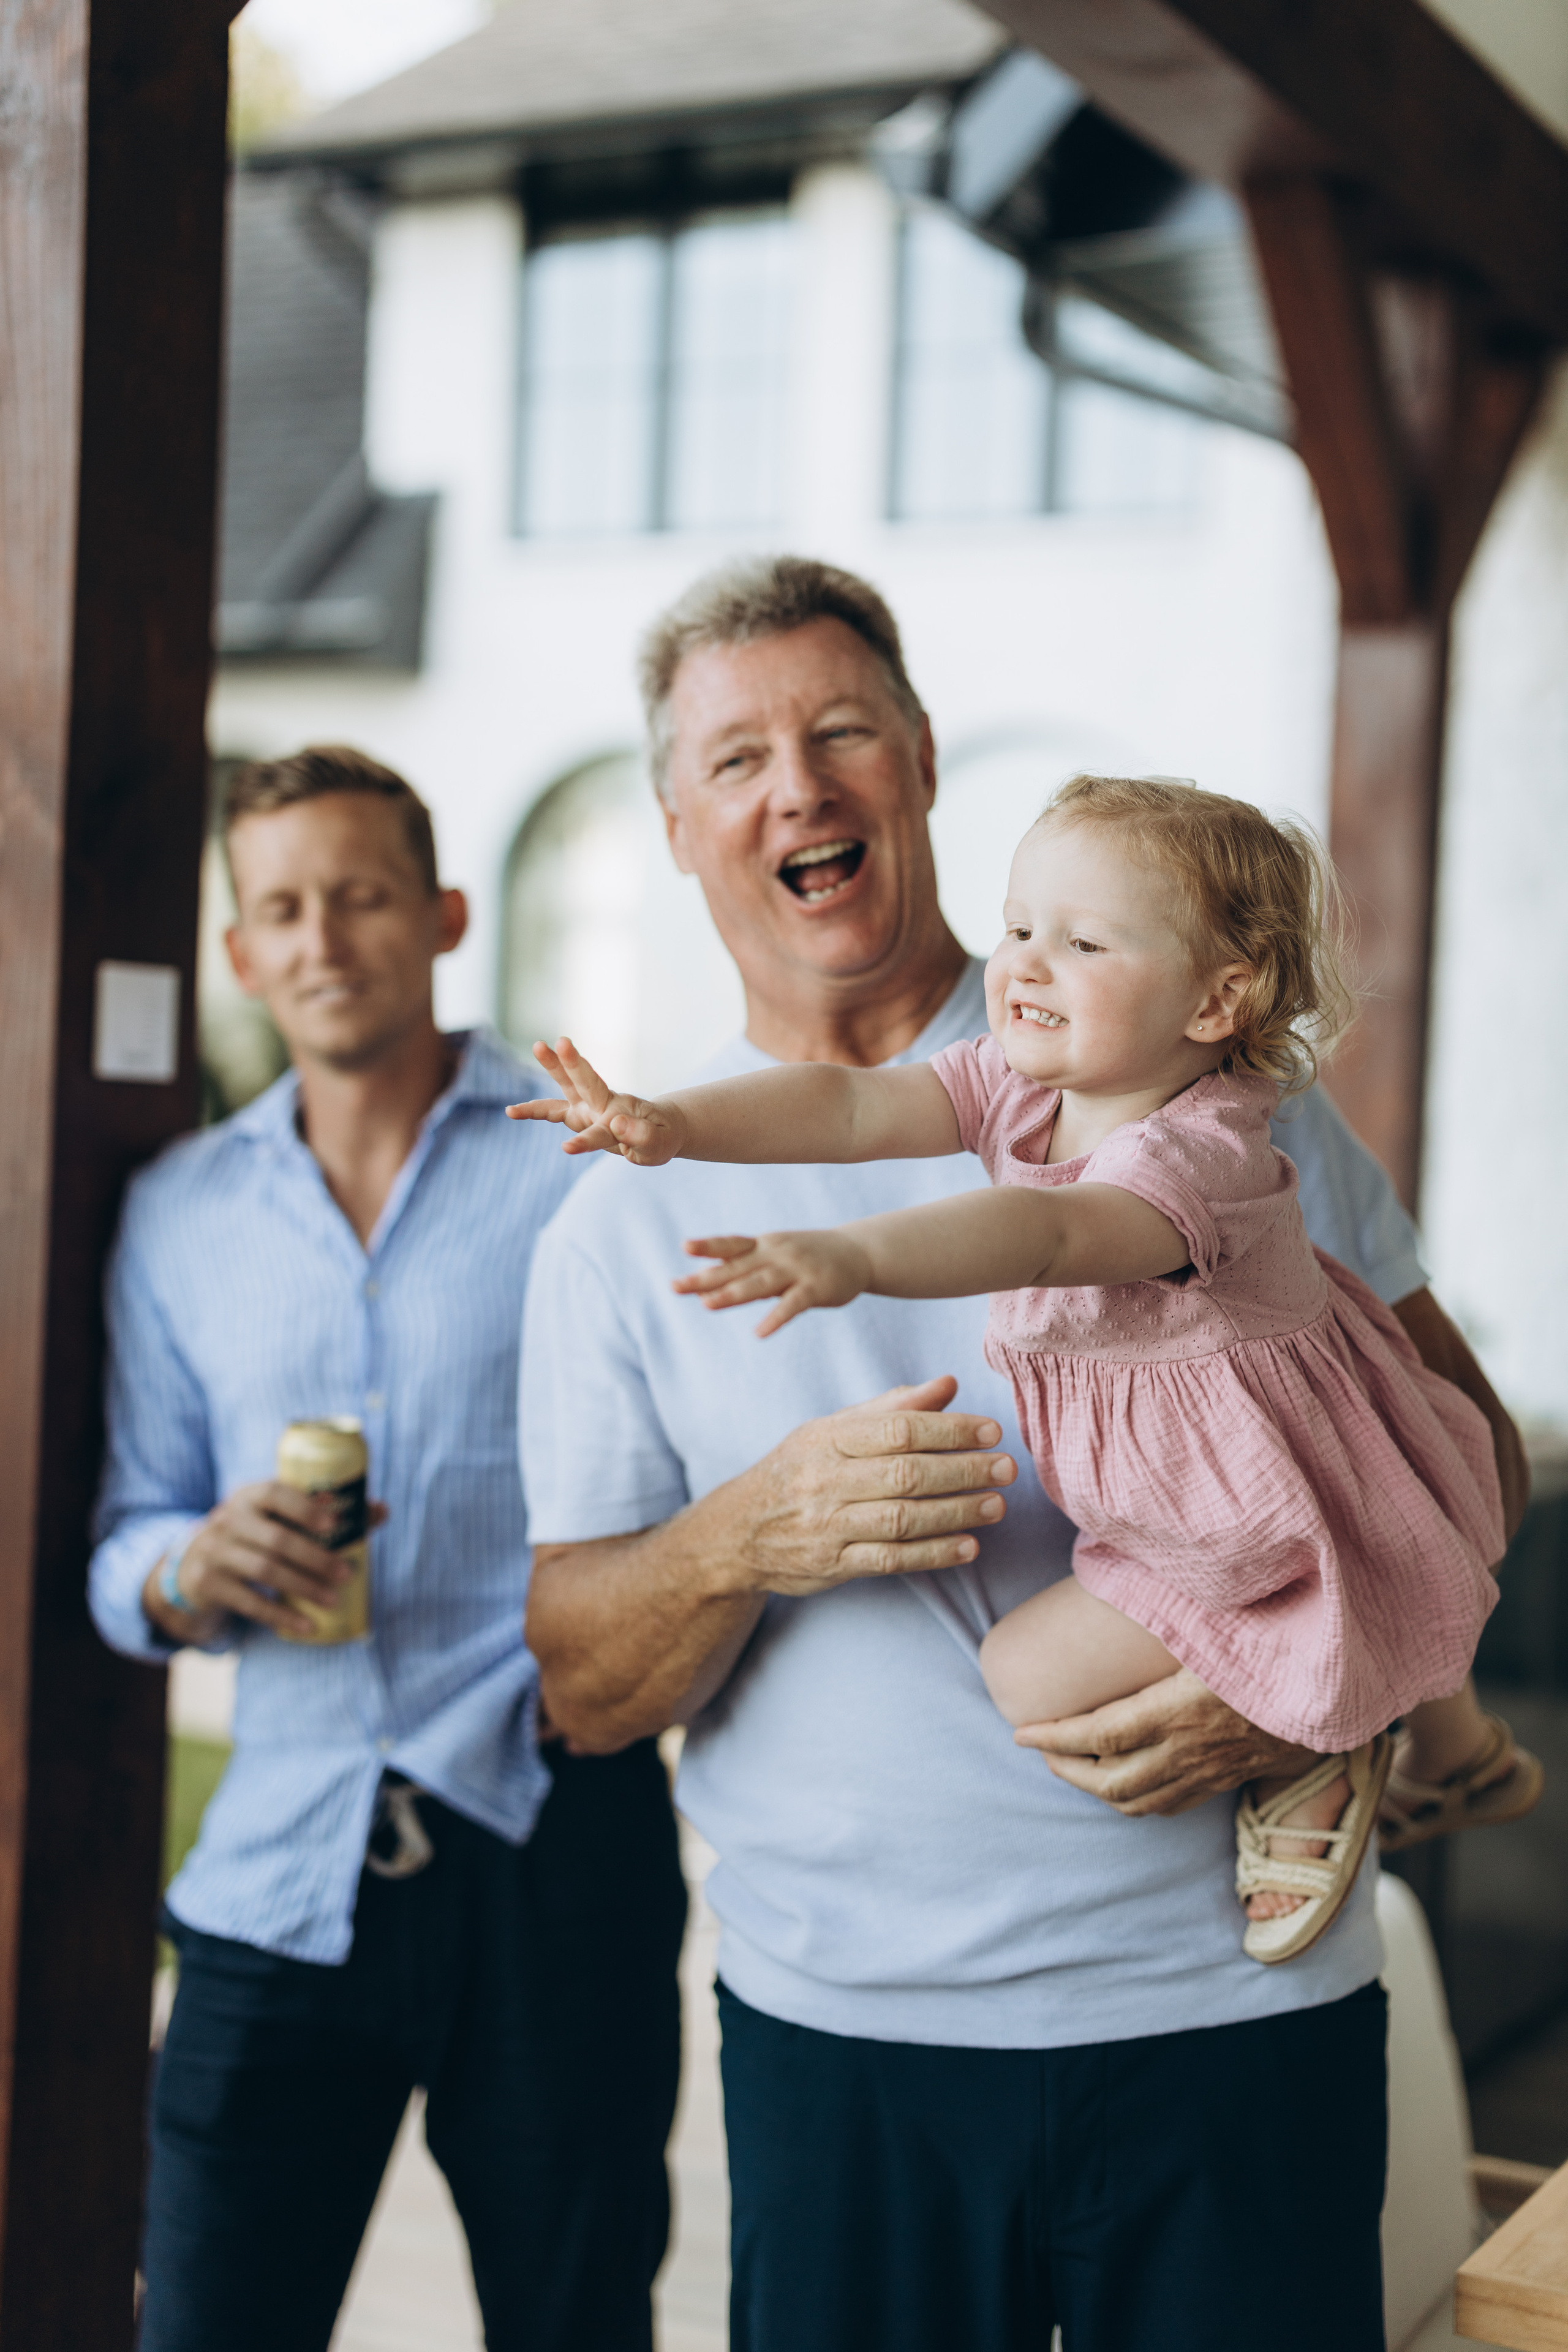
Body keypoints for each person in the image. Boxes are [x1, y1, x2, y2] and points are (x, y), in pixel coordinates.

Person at [517, 557, 1529, 2352]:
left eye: (843, 733)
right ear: (680, 827)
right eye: (739, 760)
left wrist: (1319, 1693)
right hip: (854, 2045)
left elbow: (1448, 1463)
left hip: (1234, 2021)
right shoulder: (617, 1224)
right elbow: (585, 1693)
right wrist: (737, 1539)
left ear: (917, 761)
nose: (802, 788)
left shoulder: (1213, 1110)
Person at [515, 770, 1531, 1970]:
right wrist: (673, 1125)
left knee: (1326, 1616)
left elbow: (1050, 1234)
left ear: (1218, 998)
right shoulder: (1023, 1086)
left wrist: (852, 1255)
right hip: (1167, 1508)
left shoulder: (1200, 1150)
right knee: (1027, 1677)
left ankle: (1333, 1738)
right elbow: (845, 1109)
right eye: (1016, 928)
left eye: (1082, 941)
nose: (1023, 966)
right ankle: (1434, 1745)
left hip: (1270, 1482)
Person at [88, 747, 685, 2352]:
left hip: (563, 1844)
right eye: (282, 906)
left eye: (359, 895)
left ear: (439, 915)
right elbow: (124, 1534)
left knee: (576, 2325)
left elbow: (700, 1484)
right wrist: (181, 1570)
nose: (324, 939)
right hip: (281, 1868)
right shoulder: (179, 1215)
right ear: (240, 952)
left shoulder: (591, 1165)